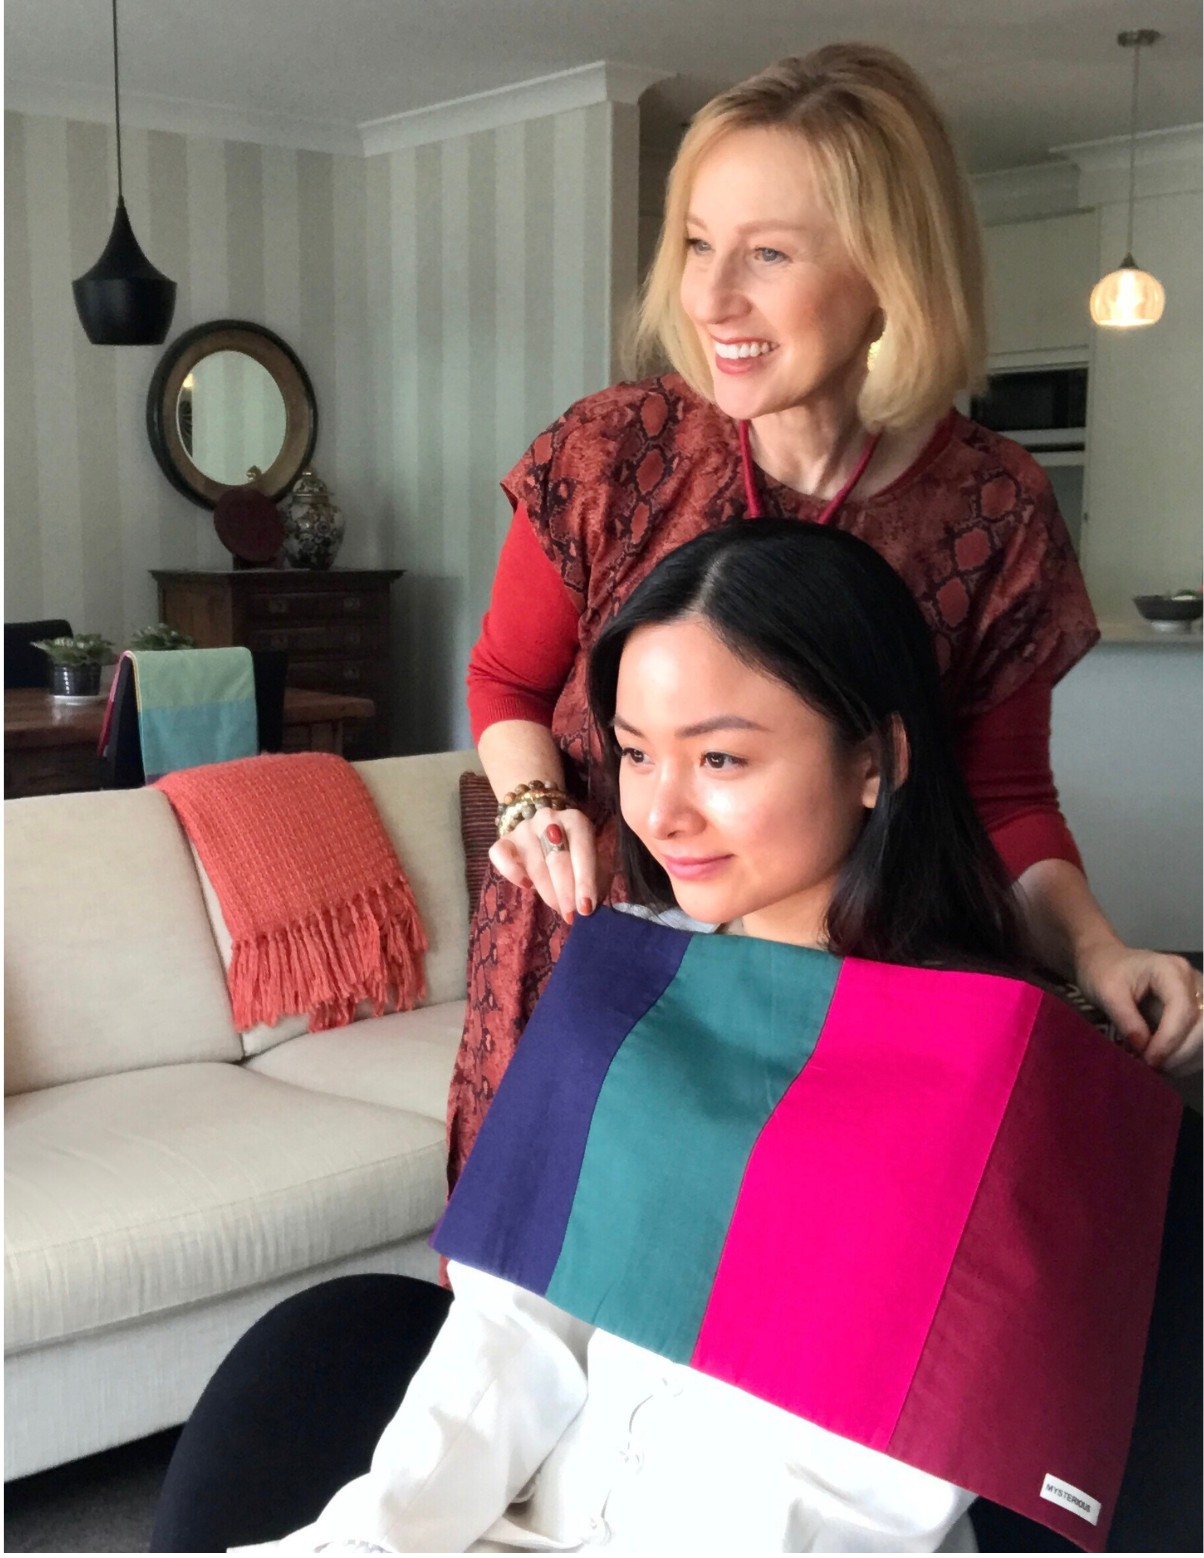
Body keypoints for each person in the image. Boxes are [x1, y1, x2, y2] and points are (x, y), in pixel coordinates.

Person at [153, 522, 1181, 1555]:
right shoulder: (625, 986)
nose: (659, 810)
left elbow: (852, 1496)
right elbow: (511, 1339)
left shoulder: (977, 1079)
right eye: (637, 753)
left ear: (876, 759)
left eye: (721, 756)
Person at [455, 42, 1201, 1195]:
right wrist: (533, 803)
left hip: (836, 1001)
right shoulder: (612, 455)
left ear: (887, 273)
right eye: (698, 243)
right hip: (591, 957)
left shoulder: (992, 505)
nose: (710, 297)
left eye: (767, 254)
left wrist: (1098, 949)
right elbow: (506, 682)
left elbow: (1000, 798)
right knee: (541, 1295)